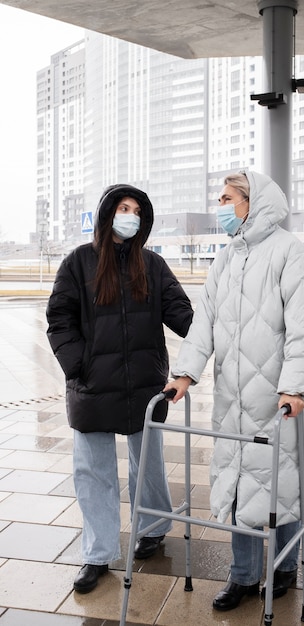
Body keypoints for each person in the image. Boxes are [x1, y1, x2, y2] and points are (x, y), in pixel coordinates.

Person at [164, 170, 304, 611]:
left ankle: (286, 566)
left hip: (279, 399)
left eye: (227, 198)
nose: (221, 207)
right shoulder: (226, 258)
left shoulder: (291, 254)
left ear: (253, 202)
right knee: (239, 487)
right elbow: (204, 323)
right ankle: (244, 576)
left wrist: (294, 386)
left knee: (282, 483)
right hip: (234, 398)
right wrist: (185, 374)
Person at [46, 184, 193, 593]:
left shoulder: (154, 264)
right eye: (122, 208)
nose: (129, 215)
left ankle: (154, 527)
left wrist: (213, 335)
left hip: (144, 384)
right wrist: (78, 366)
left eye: (136, 210)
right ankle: (97, 554)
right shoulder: (79, 262)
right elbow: (59, 319)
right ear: (107, 213)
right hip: (93, 386)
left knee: (147, 463)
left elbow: (181, 314)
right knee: (93, 472)